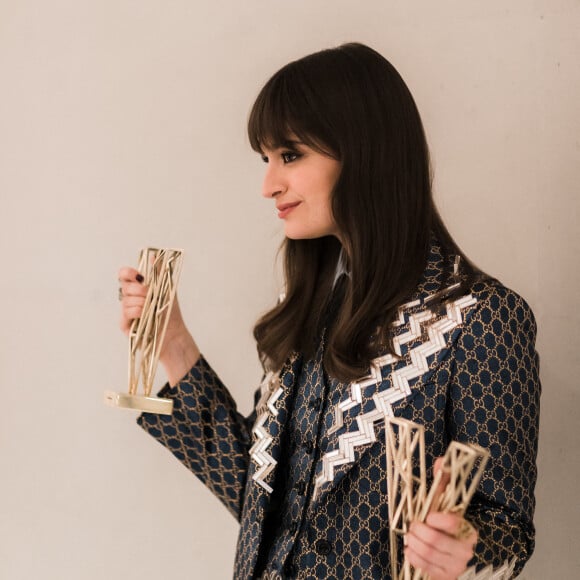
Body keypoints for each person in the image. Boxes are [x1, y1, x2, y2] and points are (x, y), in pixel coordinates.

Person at [117, 43, 539, 579]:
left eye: (290, 155)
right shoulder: (308, 311)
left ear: (365, 152)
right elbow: (260, 503)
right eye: (266, 159)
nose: (269, 184)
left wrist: (465, 550)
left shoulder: (481, 319)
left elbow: (508, 529)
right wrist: (173, 342)